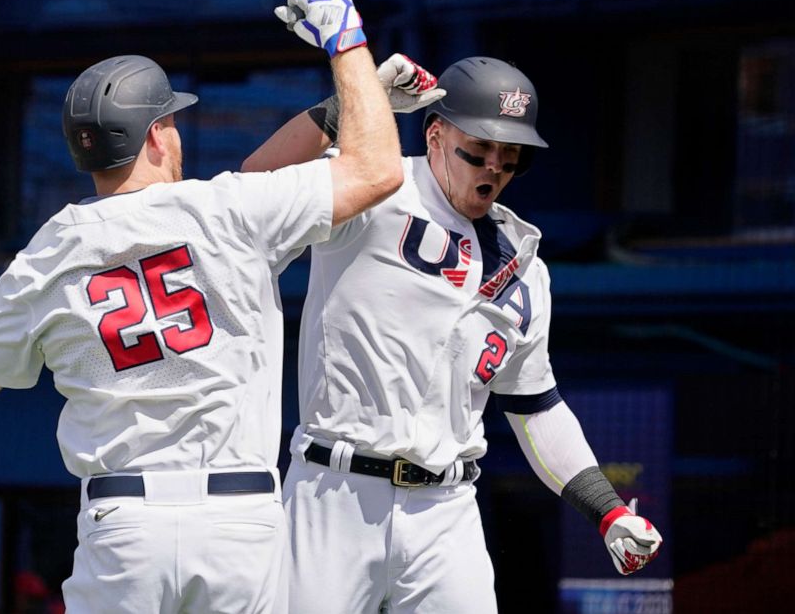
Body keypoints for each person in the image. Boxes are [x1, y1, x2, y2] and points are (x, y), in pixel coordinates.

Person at [0, 0, 404, 614]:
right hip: (239, 523)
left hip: (123, 524)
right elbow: (375, 170)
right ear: (158, 136)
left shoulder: (48, 253)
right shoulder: (229, 212)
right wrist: (348, 46)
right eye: (172, 121)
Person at [242, 55, 664, 613]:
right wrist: (348, 107)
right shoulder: (375, 185)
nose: (493, 167)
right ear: (436, 135)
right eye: (479, 150)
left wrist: (607, 509)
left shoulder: (525, 267)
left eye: (509, 157)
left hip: (446, 506)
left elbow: (535, 406)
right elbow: (253, 189)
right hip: (334, 490)